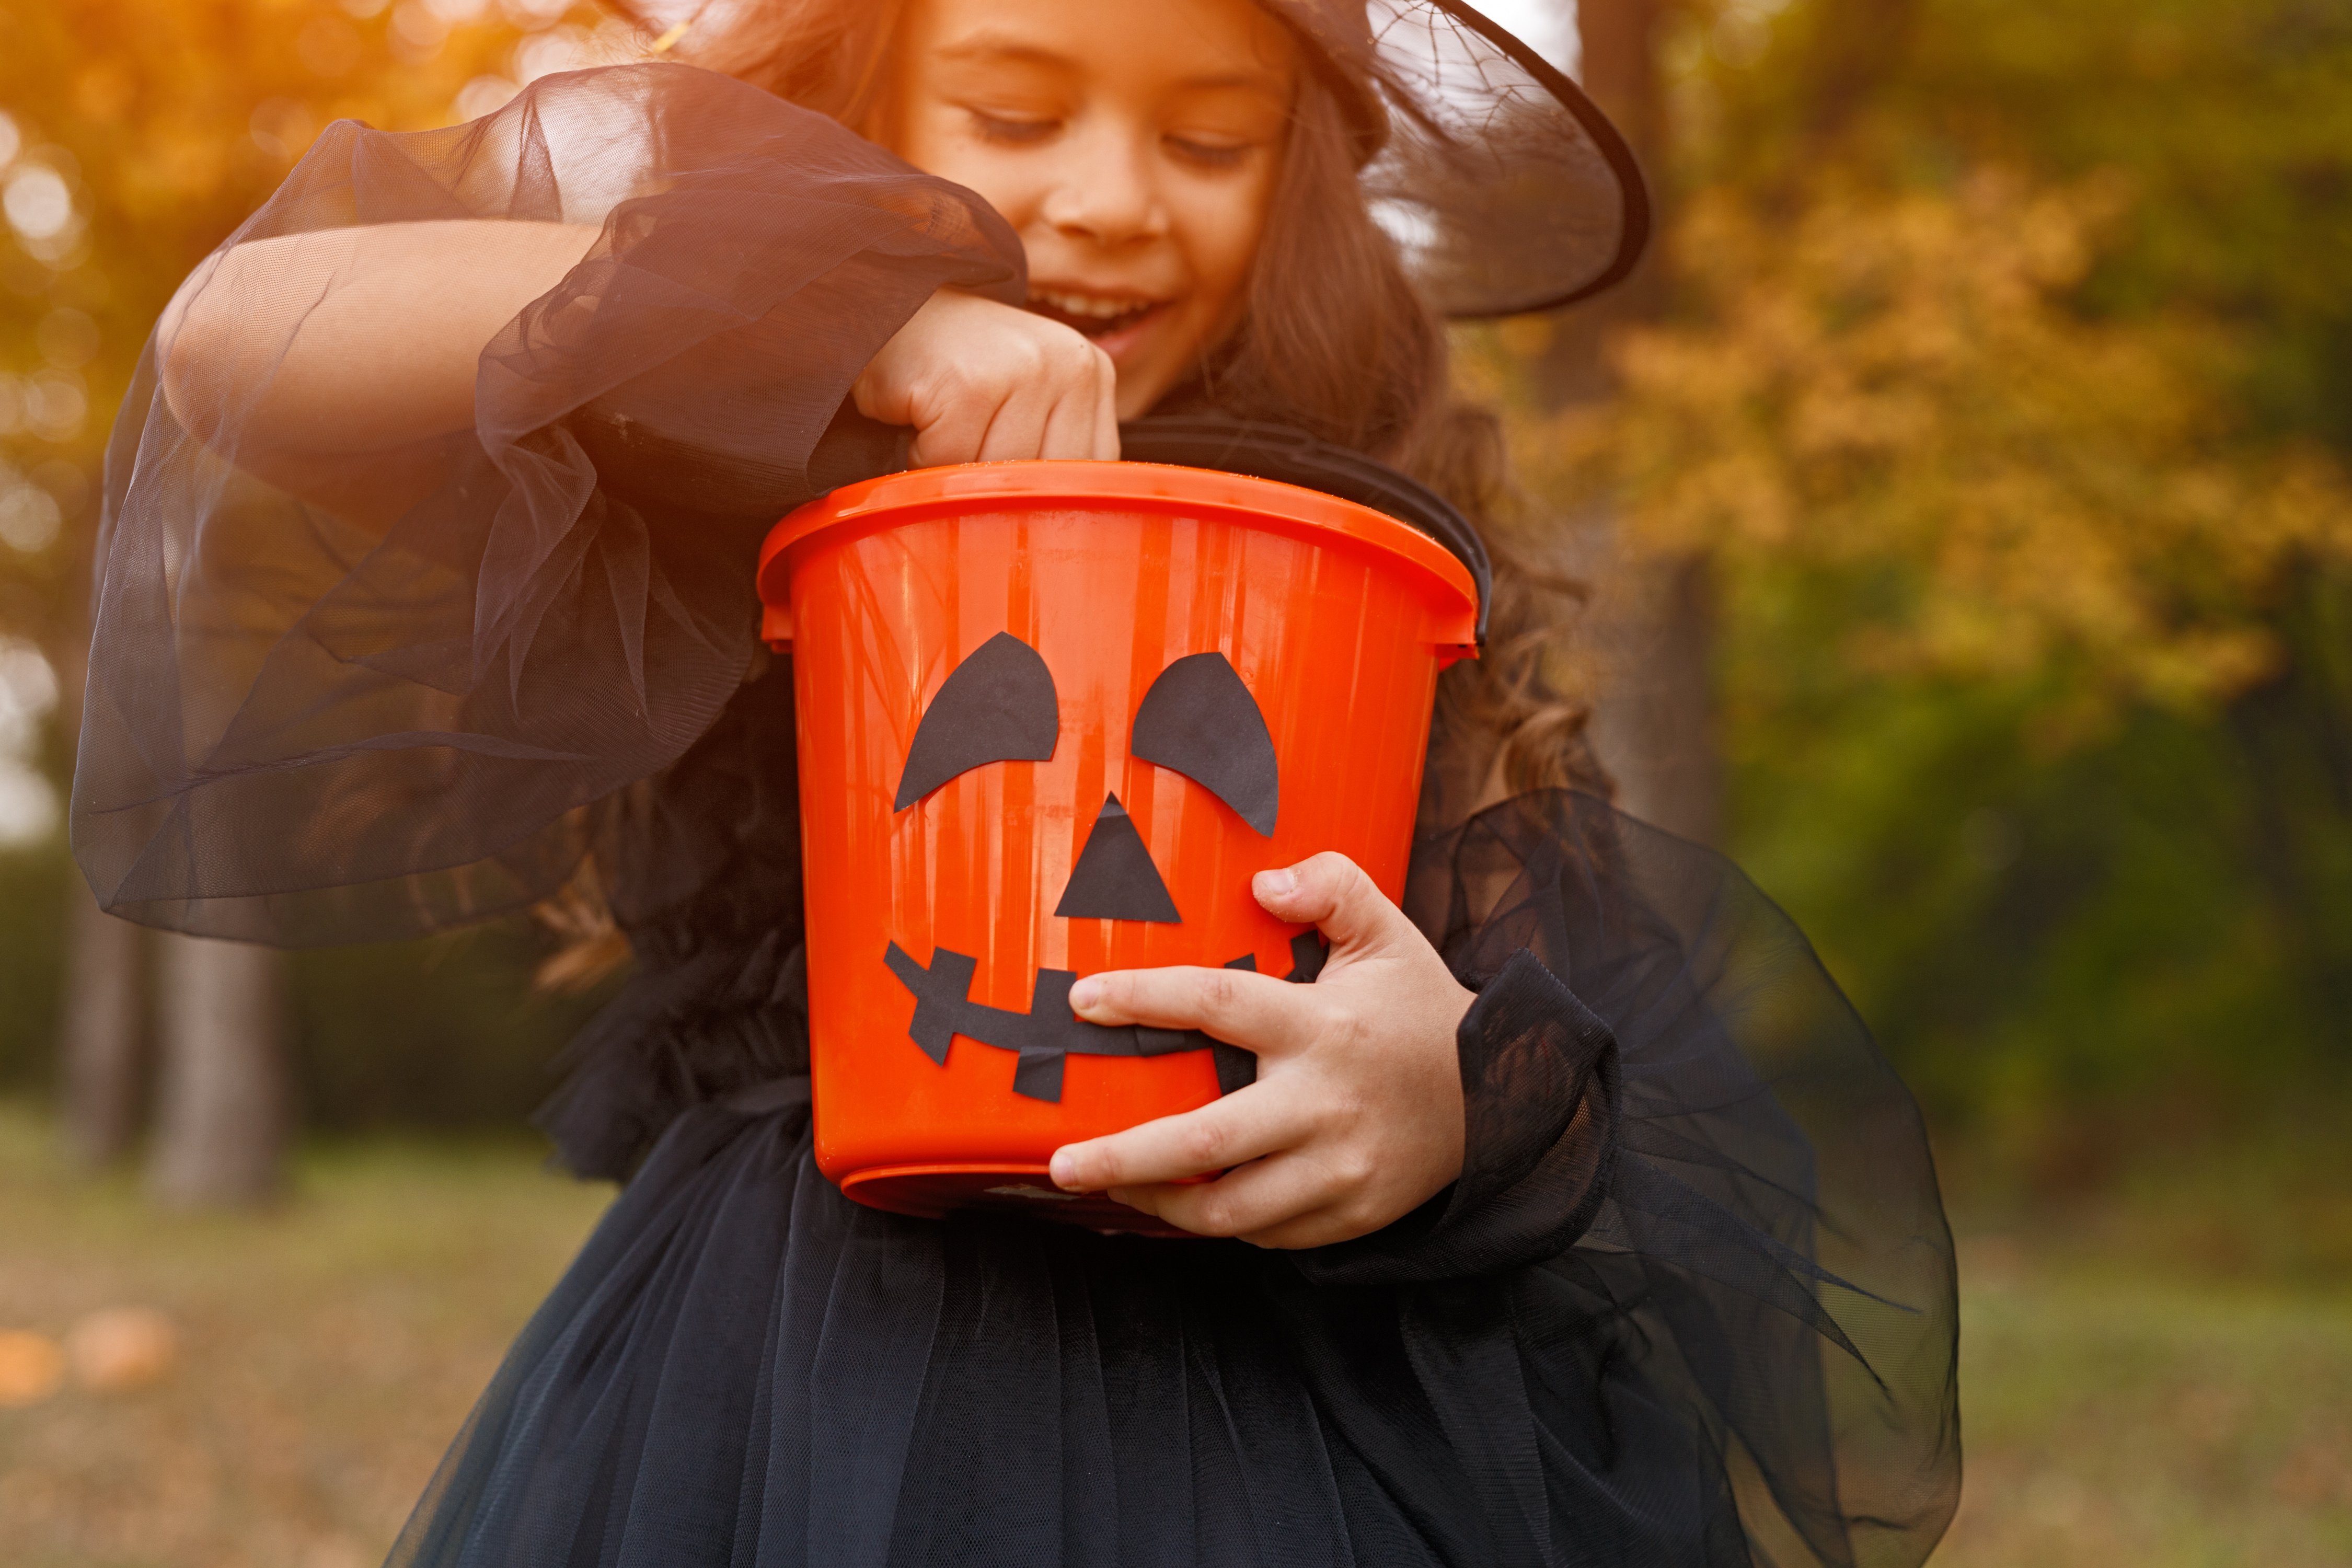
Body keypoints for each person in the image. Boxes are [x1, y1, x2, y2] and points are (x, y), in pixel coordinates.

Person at [75, 1, 1961, 1563]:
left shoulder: (1357, 544)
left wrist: (1450, 1095)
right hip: (798, 1365)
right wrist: (823, 318)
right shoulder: (728, 448)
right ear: (863, 113)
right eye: (1014, 109)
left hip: (1289, 1410)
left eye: (1210, 141)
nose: (1112, 201)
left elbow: (1569, 1032)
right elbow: (238, 346)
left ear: (1298, 185)